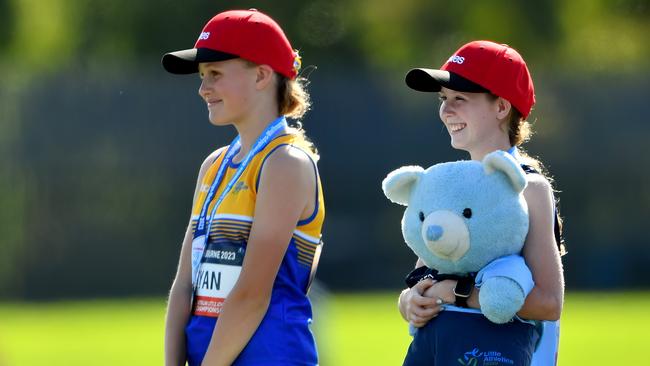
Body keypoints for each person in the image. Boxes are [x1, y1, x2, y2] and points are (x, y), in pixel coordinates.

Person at [161, 9, 325, 366]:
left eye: (216, 74)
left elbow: (252, 295)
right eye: (202, 76)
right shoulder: (214, 166)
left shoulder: (285, 164)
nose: (203, 88)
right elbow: (184, 286)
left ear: (262, 75)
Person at [398, 40, 565, 365]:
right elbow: (423, 277)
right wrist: (410, 301)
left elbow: (547, 303)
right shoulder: (451, 184)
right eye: (444, 99)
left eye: (460, 98)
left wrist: (455, 293)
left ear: (501, 107)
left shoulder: (529, 186)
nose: (446, 110)